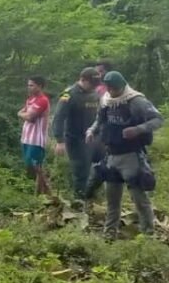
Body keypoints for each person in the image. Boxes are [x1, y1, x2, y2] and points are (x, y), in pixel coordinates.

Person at [87, 71, 164, 238]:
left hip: (131, 156)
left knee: (139, 198)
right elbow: (99, 120)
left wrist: (138, 130)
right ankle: (109, 234)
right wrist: (91, 130)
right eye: (109, 88)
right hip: (111, 156)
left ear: (122, 86)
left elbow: (158, 119)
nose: (112, 91)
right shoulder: (106, 100)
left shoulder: (137, 101)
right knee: (112, 200)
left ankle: (148, 234)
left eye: (114, 88)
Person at [52, 68, 102, 201]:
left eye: (96, 84)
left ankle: (91, 195)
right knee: (82, 172)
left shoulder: (95, 94)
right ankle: (79, 202)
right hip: (77, 139)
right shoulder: (69, 95)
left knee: (104, 167)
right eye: (92, 83)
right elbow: (58, 117)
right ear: (83, 79)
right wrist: (59, 140)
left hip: (95, 137)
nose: (94, 86)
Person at [19, 76, 51, 195]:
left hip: (36, 139)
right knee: (30, 166)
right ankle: (40, 192)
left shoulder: (42, 100)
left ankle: (44, 191)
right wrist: (23, 113)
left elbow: (29, 117)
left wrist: (20, 114)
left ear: (40, 86)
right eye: (28, 85)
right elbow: (25, 113)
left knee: (35, 166)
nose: (29, 87)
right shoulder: (30, 99)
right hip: (26, 137)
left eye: (32, 85)